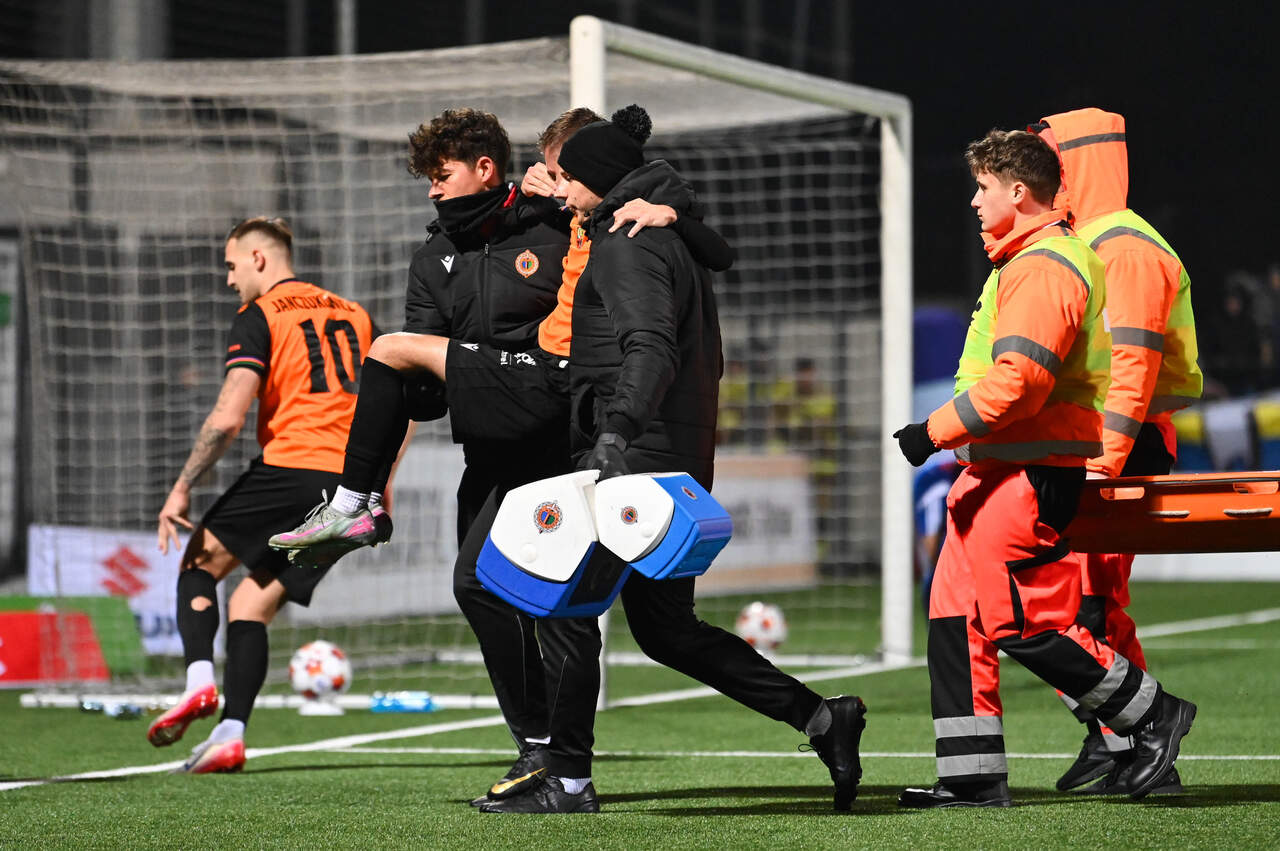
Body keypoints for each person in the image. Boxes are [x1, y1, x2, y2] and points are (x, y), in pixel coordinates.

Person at [270, 106, 736, 805]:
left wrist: (666, 208)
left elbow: (655, 203)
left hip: (559, 430)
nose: (433, 189)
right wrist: (431, 388)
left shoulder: (553, 218)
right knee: (476, 584)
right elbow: (424, 388)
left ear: (486, 168)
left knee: (567, 607)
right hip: (492, 431)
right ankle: (540, 746)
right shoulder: (432, 260)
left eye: (441, 174)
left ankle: (566, 767)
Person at [476, 105, 866, 815]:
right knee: (666, 630)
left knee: (562, 605)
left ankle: (566, 780)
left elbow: (649, 347)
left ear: (599, 178)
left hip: (633, 458)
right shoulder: (660, 231)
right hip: (668, 451)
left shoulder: (627, 244)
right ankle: (820, 718)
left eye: (570, 178)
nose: (563, 192)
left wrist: (614, 434)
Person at [893, 129, 1196, 808]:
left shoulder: (1045, 264)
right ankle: (972, 777)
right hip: (997, 466)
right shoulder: (1030, 260)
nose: (974, 201)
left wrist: (931, 432)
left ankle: (1153, 714)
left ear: (1019, 191)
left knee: (1023, 622)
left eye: (983, 188)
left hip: (1026, 469)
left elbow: (1021, 381)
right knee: (955, 619)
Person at [149, 216, 379, 773]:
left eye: (231, 266)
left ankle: (198, 683)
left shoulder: (260, 314)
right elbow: (399, 402)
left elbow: (228, 417)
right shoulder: (357, 314)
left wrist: (181, 488)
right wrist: (379, 485)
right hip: (348, 488)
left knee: (197, 564)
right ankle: (230, 735)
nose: (229, 279)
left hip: (291, 467)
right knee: (250, 604)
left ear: (258, 258)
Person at [1031, 108, 1203, 795]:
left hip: (1116, 444)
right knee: (1076, 604)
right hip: (1099, 441)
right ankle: (1118, 739)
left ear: (1076, 165)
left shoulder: (1121, 247)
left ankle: (1132, 735)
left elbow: (1131, 366)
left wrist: (1100, 460)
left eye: (1049, 162)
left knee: (1078, 607)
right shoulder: (1093, 240)